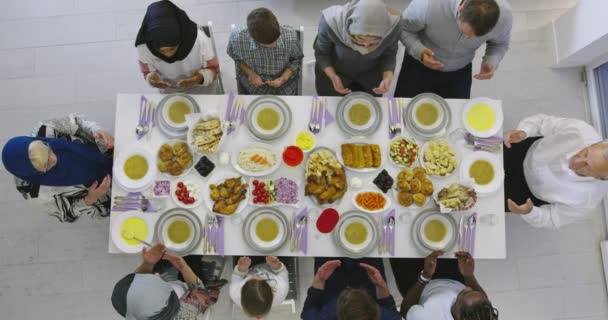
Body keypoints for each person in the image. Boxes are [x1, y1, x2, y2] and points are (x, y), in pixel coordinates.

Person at [1, 114, 113, 222]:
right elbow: (67, 214)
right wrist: (90, 199)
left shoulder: (45, 129)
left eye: (48, 149)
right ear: (33, 173)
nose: (54, 159)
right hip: (104, 195)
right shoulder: (35, 193)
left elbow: (78, 123)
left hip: (108, 152)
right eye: (46, 165)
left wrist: (96, 130)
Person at [503, 114, 608, 229]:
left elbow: (552, 219)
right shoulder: (581, 131)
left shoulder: (587, 200)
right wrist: (524, 131)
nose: (577, 161)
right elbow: (542, 123)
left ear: (602, 178)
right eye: (585, 153)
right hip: (523, 150)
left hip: (525, 194)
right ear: (595, 144)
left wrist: (530, 212)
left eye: (587, 167)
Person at [395, 0, 512, 99]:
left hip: (460, 70)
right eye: (465, 32)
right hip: (418, 63)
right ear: (460, 9)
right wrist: (419, 51)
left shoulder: (504, 16)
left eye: (478, 37)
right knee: (400, 114)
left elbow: (499, 44)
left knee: (456, 118)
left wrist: (491, 61)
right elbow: (403, 29)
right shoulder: (427, 5)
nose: (469, 38)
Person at [111, 243, 222, 319]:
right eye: (158, 280)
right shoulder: (186, 314)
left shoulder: (123, 298)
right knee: (193, 256)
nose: (157, 274)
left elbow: (138, 280)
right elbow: (200, 300)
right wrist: (185, 268)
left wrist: (148, 263)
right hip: (187, 293)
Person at [314, 0, 401, 97]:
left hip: (371, 74)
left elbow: (389, 54)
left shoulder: (393, 26)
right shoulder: (330, 22)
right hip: (336, 71)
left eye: (373, 43)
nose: (366, 47)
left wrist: (387, 77)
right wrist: (332, 76)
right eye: (359, 41)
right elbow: (322, 53)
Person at [136, 0, 220, 94]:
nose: (168, 55)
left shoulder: (199, 40)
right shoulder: (144, 47)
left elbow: (214, 69)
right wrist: (152, 80)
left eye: (172, 48)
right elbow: (147, 73)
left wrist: (198, 78)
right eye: (161, 51)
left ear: (181, 39)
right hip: (170, 89)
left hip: (201, 87)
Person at [390, 251, 498, 319]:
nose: (467, 287)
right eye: (472, 291)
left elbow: (406, 309)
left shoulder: (427, 317)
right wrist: (468, 275)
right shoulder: (484, 314)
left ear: (458, 312)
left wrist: (425, 277)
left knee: (401, 247)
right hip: (453, 277)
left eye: (464, 294)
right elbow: (481, 297)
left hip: (417, 284)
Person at [227, 8, 304, 96]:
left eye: (276, 40)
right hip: (254, 86)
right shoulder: (237, 38)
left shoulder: (290, 36)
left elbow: (297, 60)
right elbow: (236, 57)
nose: (276, 45)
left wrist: (283, 78)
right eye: (269, 44)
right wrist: (250, 73)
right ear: (253, 38)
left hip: (285, 84)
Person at [301, 258, 401, 320]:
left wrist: (319, 281)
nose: (352, 289)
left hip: (330, 286)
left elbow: (308, 311)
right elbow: (390, 309)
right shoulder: (388, 317)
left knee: (324, 237)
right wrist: (381, 286)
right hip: (370, 285)